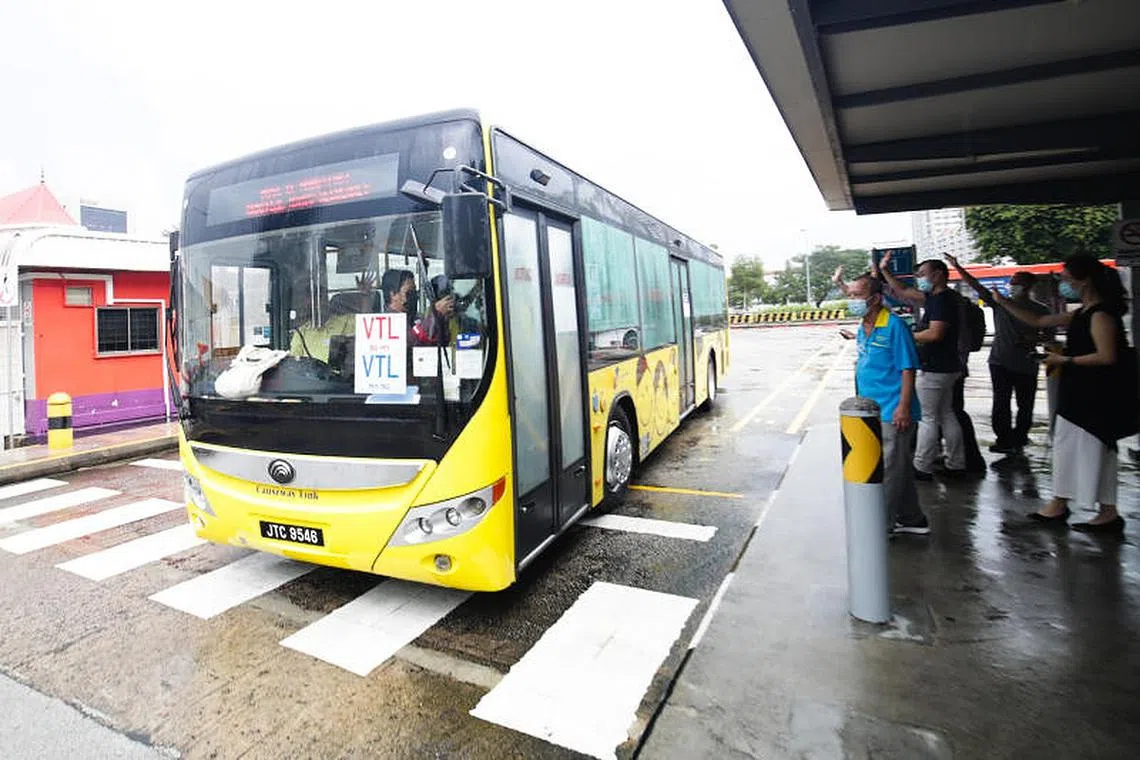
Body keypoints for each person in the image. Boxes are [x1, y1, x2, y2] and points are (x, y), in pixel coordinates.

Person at [993, 254, 1132, 533]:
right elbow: (1039, 320)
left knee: (1082, 449)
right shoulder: (1083, 313)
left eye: (1066, 278)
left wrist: (1064, 360)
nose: (1062, 284)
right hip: (1081, 393)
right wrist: (1003, 302)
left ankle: (1068, 505)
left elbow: (1106, 356)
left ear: (1085, 280)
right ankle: (1097, 509)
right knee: (1086, 449)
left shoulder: (1100, 315)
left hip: (1092, 397)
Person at [848, 274, 929, 534]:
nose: (852, 300)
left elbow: (908, 368)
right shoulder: (864, 326)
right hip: (870, 409)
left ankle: (882, 527)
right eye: (850, 295)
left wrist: (903, 407)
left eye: (857, 295)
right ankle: (912, 518)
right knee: (898, 467)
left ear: (875, 298)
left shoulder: (894, 325)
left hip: (892, 410)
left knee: (888, 470)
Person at [947, 256, 1050, 455]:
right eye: (1012, 282)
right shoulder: (1001, 302)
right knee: (1001, 402)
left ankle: (1020, 437)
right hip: (999, 361)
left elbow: (1048, 334)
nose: (1013, 286)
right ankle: (1003, 439)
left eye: (1017, 283)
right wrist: (958, 267)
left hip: (1026, 362)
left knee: (1025, 404)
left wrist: (1034, 339)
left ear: (1028, 286)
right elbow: (976, 286)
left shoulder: (1040, 309)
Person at [876, 253, 964, 480]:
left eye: (923, 274)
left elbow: (935, 334)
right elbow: (903, 291)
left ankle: (922, 465)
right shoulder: (937, 297)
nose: (919, 279)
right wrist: (885, 270)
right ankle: (956, 463)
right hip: (948, 366)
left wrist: (907, 337)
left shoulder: (942, 301)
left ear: (938, 275)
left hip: (936, 367)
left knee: (928, 417)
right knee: (946, 414)